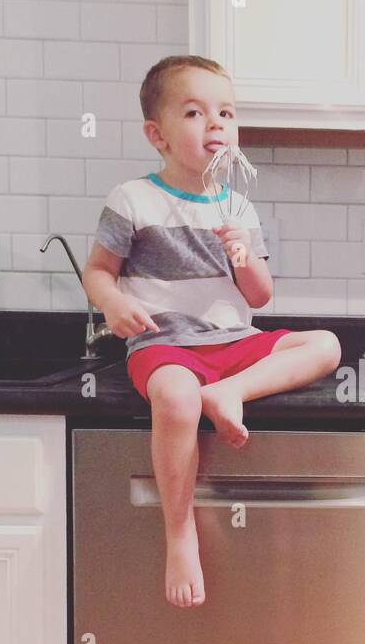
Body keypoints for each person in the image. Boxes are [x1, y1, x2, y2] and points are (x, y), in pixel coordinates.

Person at [81, 55, 341, 608]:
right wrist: (113, 304)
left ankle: (229, 395)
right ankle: (180, 536)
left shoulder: (237, 206)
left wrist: (240, 251)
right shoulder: (134, 200)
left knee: (326, 344)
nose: (216, 124)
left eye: (225, 112)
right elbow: (98, 271)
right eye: (196, 112)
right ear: (159, 135)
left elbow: (259, 296)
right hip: (166, 344)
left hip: (234, 346)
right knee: (175, 398)